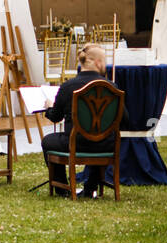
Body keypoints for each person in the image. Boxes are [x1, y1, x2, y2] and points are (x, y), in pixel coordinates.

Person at [42, 43, 120, 198]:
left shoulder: (68, 86)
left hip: (74, 143)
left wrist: (49, 107)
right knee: (100, 138)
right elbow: (125, 119)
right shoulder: (112, 87)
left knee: (48, 141)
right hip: (105, 144)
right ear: (98, 63)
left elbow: (55, 117)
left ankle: (63, 188)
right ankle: (90, 187)